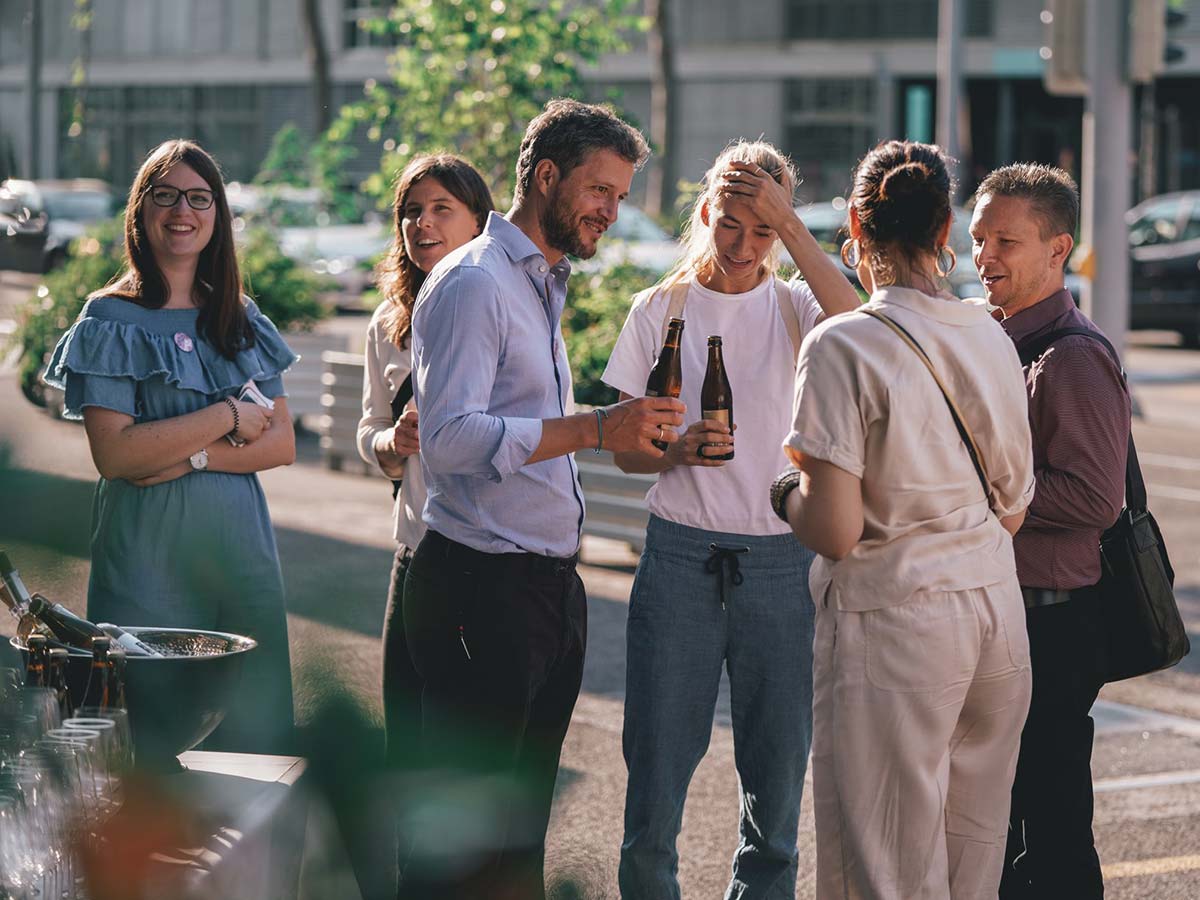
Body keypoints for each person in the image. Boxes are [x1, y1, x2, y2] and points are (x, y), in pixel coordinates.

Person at [400, 99, 682, 900]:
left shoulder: (538, 282)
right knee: (458, 852)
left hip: (542, 591)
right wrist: (598, 427)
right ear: (547, 176)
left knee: (515, 844)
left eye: (622, 197)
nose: (611, 212)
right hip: (478, 591)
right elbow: (451, 441)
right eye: (601, 191)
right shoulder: (474, 285)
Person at [777, 140, 1036, 899]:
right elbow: (1015, 504)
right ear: (946, 227)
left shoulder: (842, 343)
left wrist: (779, 495)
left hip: (894, 626)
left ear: (856, 224)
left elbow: (834, 529)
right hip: (994, 616)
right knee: (972, 859)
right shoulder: (988, 331)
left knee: (882, 868)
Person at [601, 140, 859, 900]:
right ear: (705, 213)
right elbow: (627, 455)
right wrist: (673, 449)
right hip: (678, 561)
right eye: (731, 225)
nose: (745, 247)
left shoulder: (799, 306)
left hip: (783, 565)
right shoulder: (660, 309)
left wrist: (794, 225)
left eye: (765, 231)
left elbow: (862, 321)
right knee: (654, 789)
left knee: (775, 798)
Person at [43, 139, 297, 753]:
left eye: (199, 198)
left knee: (253, 747)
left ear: (217, 216)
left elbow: (282, 442)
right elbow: (118, 456)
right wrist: (227, 413)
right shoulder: (109, 319)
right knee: (149, 748)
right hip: (145, 563)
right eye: (166, 195)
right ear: (141, 211)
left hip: (242, 561)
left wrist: (191, 455)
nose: (183, 210)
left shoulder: (239, 317)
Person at [971, 164, 1131, 900]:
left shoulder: (1071, 357)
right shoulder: (995, 339)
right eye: (978, 238)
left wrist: (980, 495)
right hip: (1013, 617)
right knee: (1001, 826)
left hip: (1055, 626)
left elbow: (1096, 498)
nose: (985, 256)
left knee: (1053, 830)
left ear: (1057, 247)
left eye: (1006, 240)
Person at [357, 154, 495, 763]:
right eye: (411, 211)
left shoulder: (504, 305)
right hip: (415, 551)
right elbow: (371, 429)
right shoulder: (389, 324)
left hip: (489, 562)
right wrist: (394, 444)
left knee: (470, 750)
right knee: (406, 747)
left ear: (478, 221)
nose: (423, 223)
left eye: (442, 209)